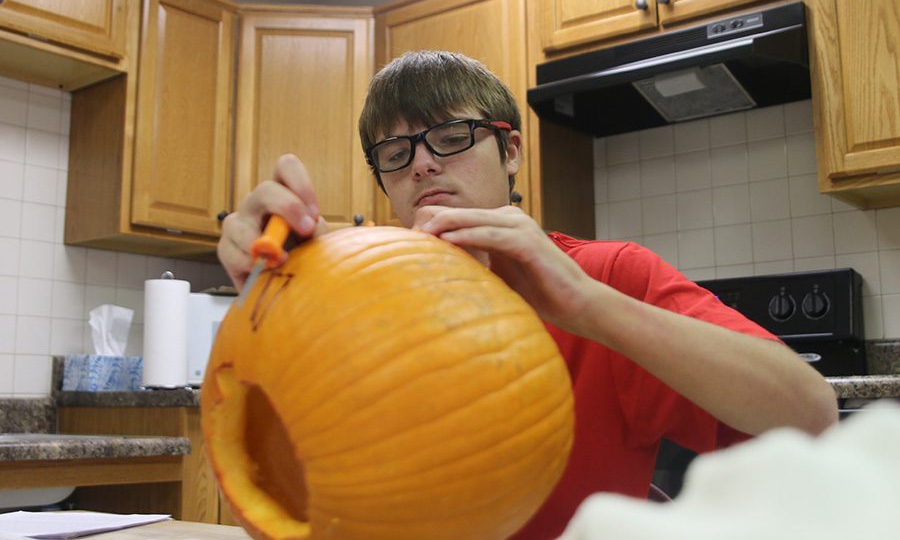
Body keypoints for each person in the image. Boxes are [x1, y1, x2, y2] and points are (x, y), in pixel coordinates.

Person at [217, 50, 839, 539]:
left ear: (510, 149)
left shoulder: (608, 276)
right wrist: (280, 298)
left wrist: (586, 305)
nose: (422, 165)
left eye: (452, 136)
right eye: (395, 150)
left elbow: (810, 414)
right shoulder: (343, 290)